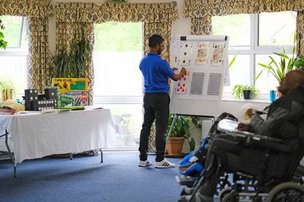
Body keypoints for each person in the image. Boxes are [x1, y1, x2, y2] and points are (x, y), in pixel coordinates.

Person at [196, 68, 304, 201]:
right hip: (270, 152)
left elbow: (266, 130)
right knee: (222, 139)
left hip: (269, 158)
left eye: (287, 78)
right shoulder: (294, 103)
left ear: (294, 85)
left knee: (219, 143)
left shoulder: (291, 105)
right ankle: (205, 187)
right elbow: (275, 128)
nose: (282, 79)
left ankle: (205, 191)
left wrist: (253, 117)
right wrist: (250, 127)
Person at [138, 34, 187, 168]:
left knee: (146, 127)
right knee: (161, 128)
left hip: (148, 96)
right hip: (160, 97)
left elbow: (155, 74)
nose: (164, 48)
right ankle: (159, 160)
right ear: (157, 45)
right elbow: (176, 77)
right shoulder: (161, 62)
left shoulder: (143, 62)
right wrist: (182, 71)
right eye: (163, 45)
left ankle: (142, 159)